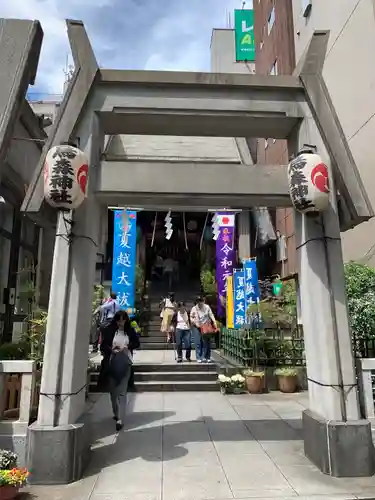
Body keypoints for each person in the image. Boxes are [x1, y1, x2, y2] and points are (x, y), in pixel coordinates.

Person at [98, 310, 140, 431]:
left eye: (123, 319)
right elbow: (103, 346)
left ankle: (120, 419)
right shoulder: (110, 331)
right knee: (113, 393)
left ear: (126, 320)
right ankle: (116, 413)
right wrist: (112, 349)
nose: (121, 322)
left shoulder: (129, 331)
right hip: (112, 364)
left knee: (122, 392)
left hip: (125, 362)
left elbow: (136, 343)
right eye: (118, 319)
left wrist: (127, 347)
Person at [190, 296, 217, 363]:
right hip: (197, 327)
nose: (199, 303)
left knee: (207, 342)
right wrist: (194, 322)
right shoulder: (194, 308)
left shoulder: (207, 307)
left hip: (206, 326)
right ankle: (199, 357)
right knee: (198, 342)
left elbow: (211, 314)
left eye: (200, 301)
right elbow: (191, 317)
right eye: (198, 301)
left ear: (203, 301)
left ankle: (207, 357)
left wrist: (214, 322)